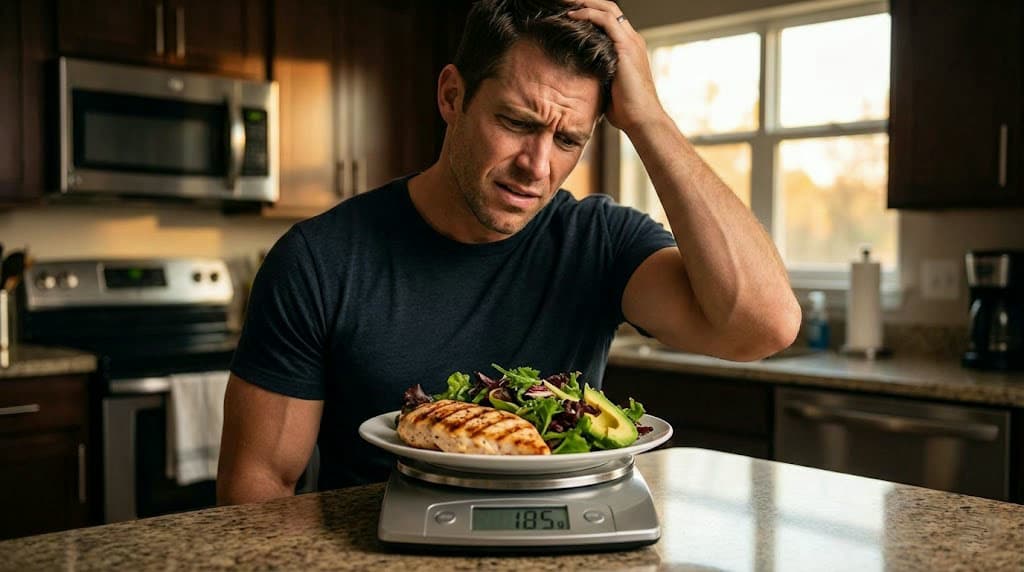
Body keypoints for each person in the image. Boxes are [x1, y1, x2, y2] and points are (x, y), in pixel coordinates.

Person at [217, 0, 800, 505]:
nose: (537, 167)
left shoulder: (598, 243)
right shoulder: (318, 261)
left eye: (569, 139)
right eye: (516, 122)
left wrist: (649, 118)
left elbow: (764, 327)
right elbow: (257, 488)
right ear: (453, 96)